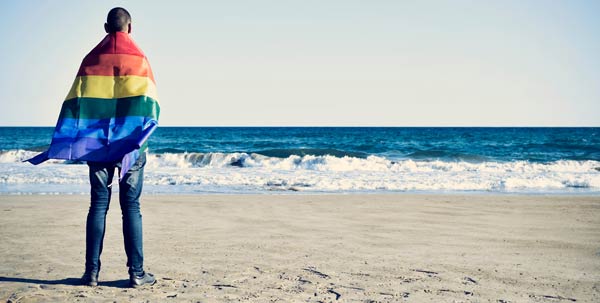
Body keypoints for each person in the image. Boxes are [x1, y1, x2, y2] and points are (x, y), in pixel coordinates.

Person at [27, 7, 160, 288]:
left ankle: (91, 274)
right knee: (131, 207)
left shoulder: (90, 60)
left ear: (105, 27)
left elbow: (76, 103)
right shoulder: (140, 60)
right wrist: (138, 139)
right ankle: (137, 273)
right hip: (129, 149)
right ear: (130, 28)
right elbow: (150, 106)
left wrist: (69, 139)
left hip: (97, 145)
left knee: (98, 205)